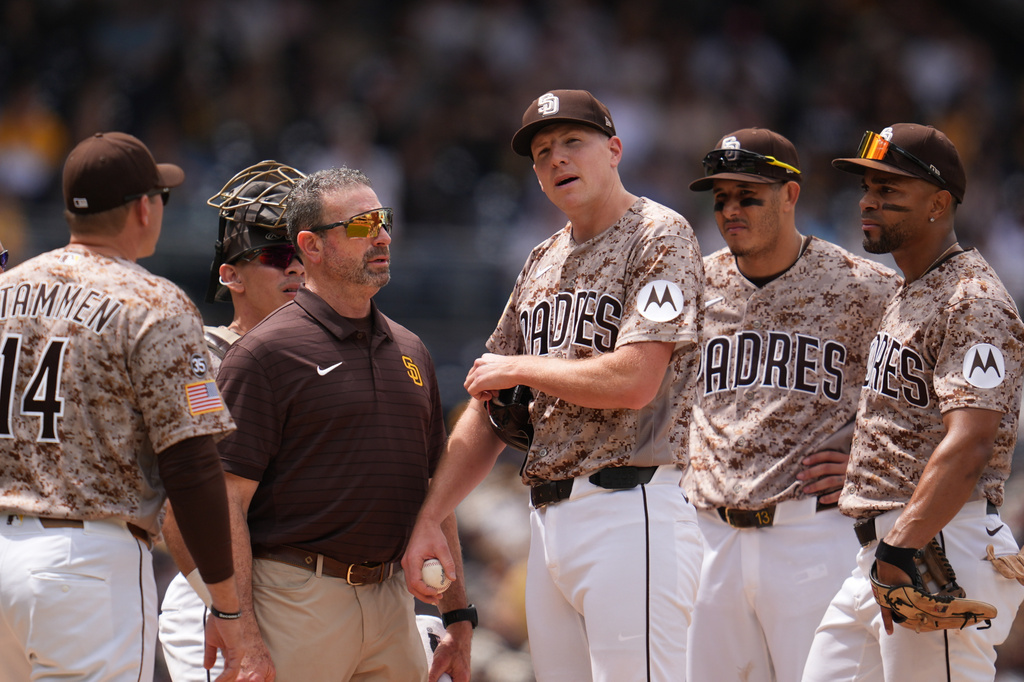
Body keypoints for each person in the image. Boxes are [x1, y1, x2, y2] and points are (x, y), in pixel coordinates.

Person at [402, 89, 705, 681]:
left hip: (635, 504)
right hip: (549, 521)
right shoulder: (541, 260)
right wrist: (431, 516)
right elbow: (490, 406)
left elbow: (636, 379)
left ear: (614, 150)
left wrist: (522, 369)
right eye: (543, 152)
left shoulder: (658, 234)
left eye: (573, 142)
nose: (557, 159)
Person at [0, 132, 245, 682]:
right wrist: (226, 603)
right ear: (143, 207)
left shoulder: (5, 290)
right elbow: (191, 466)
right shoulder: (154, 302)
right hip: (83, 567)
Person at [215, 166, 473, 681]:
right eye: (360, 226)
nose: (381, 236)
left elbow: (435, 495)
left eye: (383, 221)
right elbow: (227, 503)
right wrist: (240, 634)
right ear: (310, 245)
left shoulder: (412, 349)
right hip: (295, 599)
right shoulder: (265, 352)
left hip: (392, 603)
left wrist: (459, 616)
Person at [802, 124, 1024, 681]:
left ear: (939, 203)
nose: (869, 201)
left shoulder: (972, 298)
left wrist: (901, 548)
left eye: (890, 191)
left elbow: (971, 441)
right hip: (884, 551)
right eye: (867, 188)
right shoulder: (911, 289)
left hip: (935, 546)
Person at [682, 127, 900, 682]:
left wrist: (868, 452)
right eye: (721, 199)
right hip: (706, 537)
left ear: (790, 194)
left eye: (748, 196)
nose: (731, 210)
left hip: (814, 534)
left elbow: (933, 400)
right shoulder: (693, 284)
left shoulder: (866, 287)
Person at [159, 160, 306, 682]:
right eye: (273, 255)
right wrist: (227, 609)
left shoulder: (333, 354)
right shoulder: (196, 353)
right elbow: (180, 504)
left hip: (306, 590)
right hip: (212, 588)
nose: (292, 268)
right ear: (230, 274)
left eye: (300, 254)